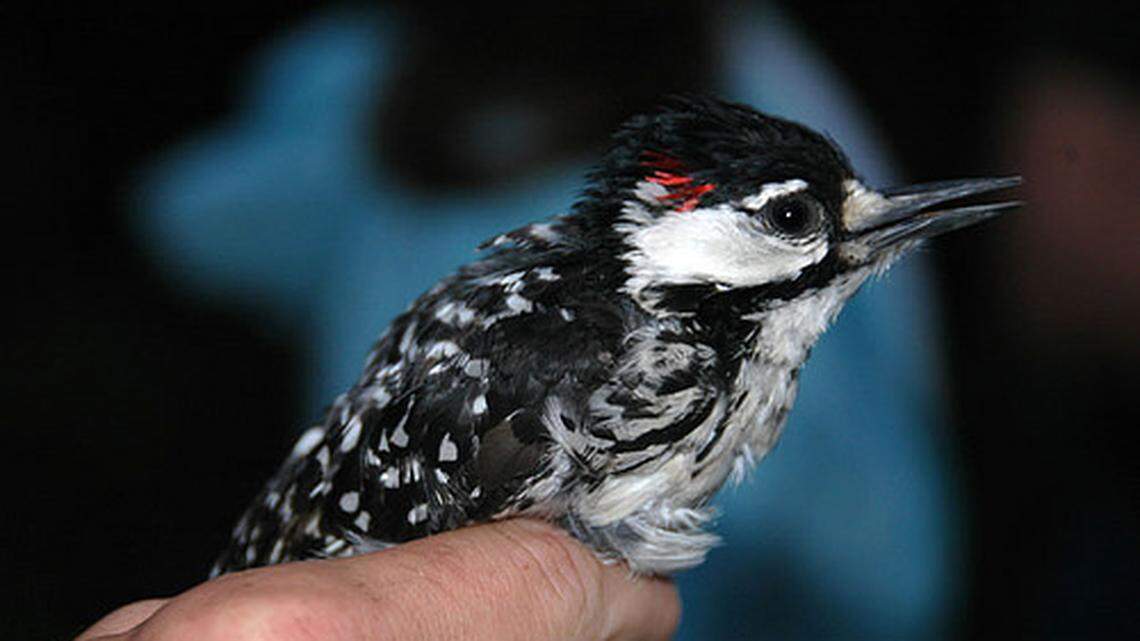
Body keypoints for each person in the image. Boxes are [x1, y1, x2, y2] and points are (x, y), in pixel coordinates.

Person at [102, 3, 959, 639]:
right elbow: (888, 571)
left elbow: (201, 219)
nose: (854, 235)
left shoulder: (399, 82)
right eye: (790, 221)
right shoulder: (604, 347)